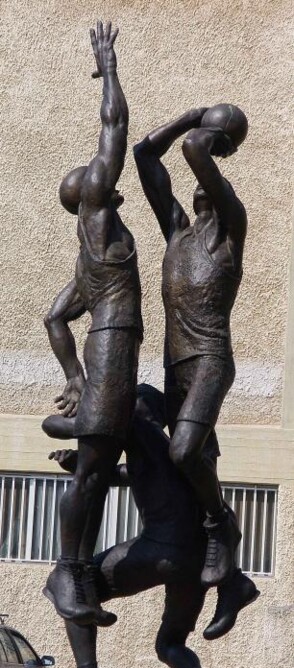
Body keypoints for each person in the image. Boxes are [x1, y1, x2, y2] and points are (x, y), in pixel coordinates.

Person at [47, 385, 259, 668]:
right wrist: (77, 466)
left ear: (138, 409)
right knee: (169, 643)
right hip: (198, 561)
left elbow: (52, 425)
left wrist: (90, 408)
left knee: (71, 584)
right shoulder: (175, 450)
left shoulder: (132, 425)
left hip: (161, 549)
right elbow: (128, 475)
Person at [42, 21, 143, 626]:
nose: (99, 169)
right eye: (92, 172)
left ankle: (74, 572)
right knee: (95, 461)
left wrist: (74, 376)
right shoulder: (98, 215)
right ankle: (68, 572)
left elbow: (55, 318)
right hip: (113, 345)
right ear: (88, 193)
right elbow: (115, 130)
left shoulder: (88, 265)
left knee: (100, 466)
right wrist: (108, 70)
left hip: (106, 351)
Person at [133, 105, 248, 587]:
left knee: (183, 452)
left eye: (212, 178)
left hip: (210, 360)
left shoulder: (229, 228)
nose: (203, 181)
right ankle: (228, 583)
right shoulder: (178, 233)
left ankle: (222, 525)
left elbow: (193, 149)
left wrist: (213, 129)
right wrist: (189, 115)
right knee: (133, 406)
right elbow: (144, 154)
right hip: (176, 366)